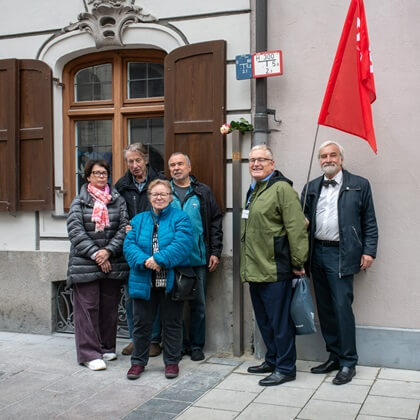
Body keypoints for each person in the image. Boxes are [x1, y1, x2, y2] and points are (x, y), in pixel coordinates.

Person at [301, 140, 378, 385]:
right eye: (323, 156)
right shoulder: (312, 187)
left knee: (342, 309)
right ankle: (333, 355)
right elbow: (301, 223)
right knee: (324, 309)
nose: (328, 159)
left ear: (341, 159)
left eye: (332, 155)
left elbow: (369, 222)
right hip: (317, 254)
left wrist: (369, 251)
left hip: (343, 254)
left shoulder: (359, 185)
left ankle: (348, 362)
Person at [241, 145, 308, 386]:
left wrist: (299, 262)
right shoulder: (255, 189)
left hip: (275, 268)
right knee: (265, 321)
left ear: (272, 163)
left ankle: (286, 367)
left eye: (261, 159)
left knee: (280, 322)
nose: (256, 164)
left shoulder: (281, 189)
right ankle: (272, 359)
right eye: (252, 160)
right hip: (255, 269)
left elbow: (297, 228)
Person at [123, 179, 193, 380]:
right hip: (143, 280)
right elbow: (129, 246)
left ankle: (171, 363)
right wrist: (145, 261)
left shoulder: (181, 219)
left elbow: (183, 244)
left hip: (170, 281)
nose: (159, 198)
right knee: (141, 324)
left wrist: (159, 260)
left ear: (170, 197)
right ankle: (138, 363)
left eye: (163, 194)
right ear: (149, 197)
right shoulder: (138, 220)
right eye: (155, 194)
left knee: (172, 323)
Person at [66, 159, 129, 371]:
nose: (101, 176)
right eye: (97, 173)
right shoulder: (80, 201)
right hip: (85, 263)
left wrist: (108, 251)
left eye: (104, 173)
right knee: (88, 309)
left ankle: (106, 346)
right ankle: (88, 354)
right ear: (88, 176)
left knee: (109, 308)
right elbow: (76, 232)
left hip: (112, 261)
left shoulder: (117, 200)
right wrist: (96, 254)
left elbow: (123, 228)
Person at [168, 152, 223, 361]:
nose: (176, 168)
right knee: (174, 305)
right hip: (171, 260)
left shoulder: (202, 191)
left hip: (198, 258)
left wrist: (215, 252)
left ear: (189, 168)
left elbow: (215, 222)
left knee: (198, 305)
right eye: (172, 165)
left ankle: (197, 345)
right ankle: (179, 344)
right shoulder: (164, 191)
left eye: (180, 164)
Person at [115, 143, 165, 357]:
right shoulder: (122, 186)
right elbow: (116, 213)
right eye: (130, 161)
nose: (134, 165)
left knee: (155, 296)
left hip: (155, 246)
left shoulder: (159, 182)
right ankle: (136, 339)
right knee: (132, 296)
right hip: (132, 248)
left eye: (137, 160)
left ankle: (153, 339)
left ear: (145, 160)